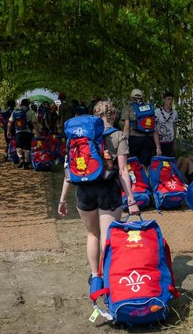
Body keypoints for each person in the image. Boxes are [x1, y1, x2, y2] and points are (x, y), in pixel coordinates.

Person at [57, 101, 140, 283]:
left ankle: (95, 277)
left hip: (84, 191)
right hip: (108, 189)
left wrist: (62, 200)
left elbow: (69, 170)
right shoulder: (118, 135)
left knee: (92, 234)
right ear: (113, 115)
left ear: (94, 115)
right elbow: (123, 171)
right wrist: (131, 200)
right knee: (109, 236)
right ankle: (110, 276)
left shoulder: (78, 136)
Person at [121, 88, 161, 167]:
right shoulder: (149, 109)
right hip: (148, 140)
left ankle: (135, 179)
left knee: (133, 164)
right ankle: (145, 178)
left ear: (131, 97)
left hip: (134, 140)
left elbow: (127, 127)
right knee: (146, 165)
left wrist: (124, 143)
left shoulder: (128, 108)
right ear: (142, 97)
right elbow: (154, 129)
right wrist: (158, 146)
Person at [7, 98, 38, 170]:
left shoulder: (15, 111)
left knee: (18, 147)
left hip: (18, 132)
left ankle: (21, 159)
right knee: (27, 148)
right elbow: (34, 124)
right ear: (28, 104)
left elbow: (10, 122)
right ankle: (26, 164)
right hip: (28, 132)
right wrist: (38, 133)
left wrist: (8, 131)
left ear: (21, 104)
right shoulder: (31, 112)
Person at [155, 91, 178, 157]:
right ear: (164, 100)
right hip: (159, 142)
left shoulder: (174, 113)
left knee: (168, 162)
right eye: (168, 99)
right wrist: (157, 145)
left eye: (171, 99)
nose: (170, 101)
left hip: (169, 142)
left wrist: (174, 141)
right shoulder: (157, 112)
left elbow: (174, 127)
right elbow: (154, 129)